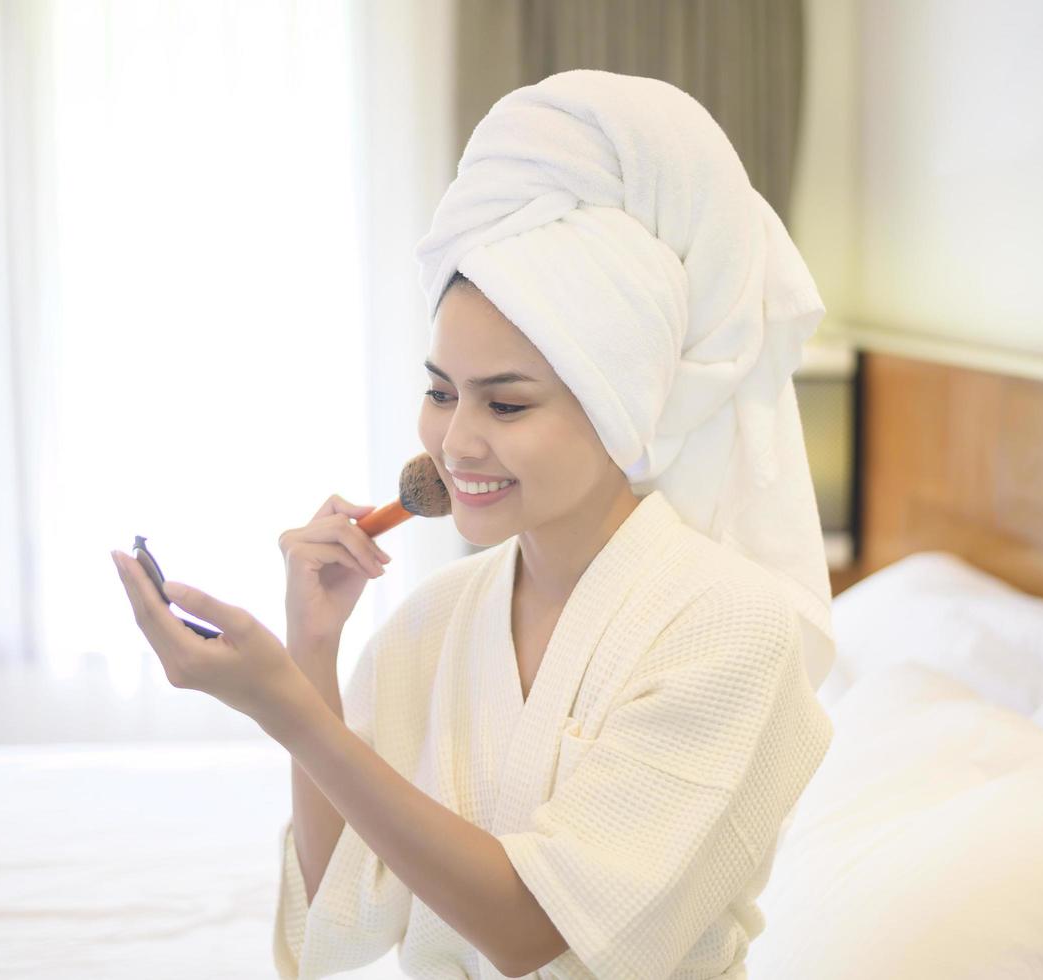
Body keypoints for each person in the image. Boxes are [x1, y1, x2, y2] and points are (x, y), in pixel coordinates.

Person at [112, 68, 836, 979]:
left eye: (505, 404)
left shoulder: (731, 627)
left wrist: (291, 716)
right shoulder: (436, 620)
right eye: (440, 392)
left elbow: (534, 931)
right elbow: (336, 924)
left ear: (622, 408)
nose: (454, 442)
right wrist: (312, 655)